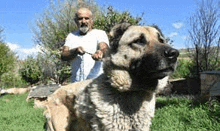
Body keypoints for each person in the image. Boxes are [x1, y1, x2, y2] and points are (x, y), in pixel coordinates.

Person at [61, 7, 109, 82]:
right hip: (76, 83)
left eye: (86, 18)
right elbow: (63, 55)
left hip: (96, 82)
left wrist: (100, 52)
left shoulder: (100, 33)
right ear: (75, 21)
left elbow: (104, 48)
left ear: (92, 21)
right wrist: (75, 51)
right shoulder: (71, 36)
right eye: (80, 19)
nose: (83, 21)